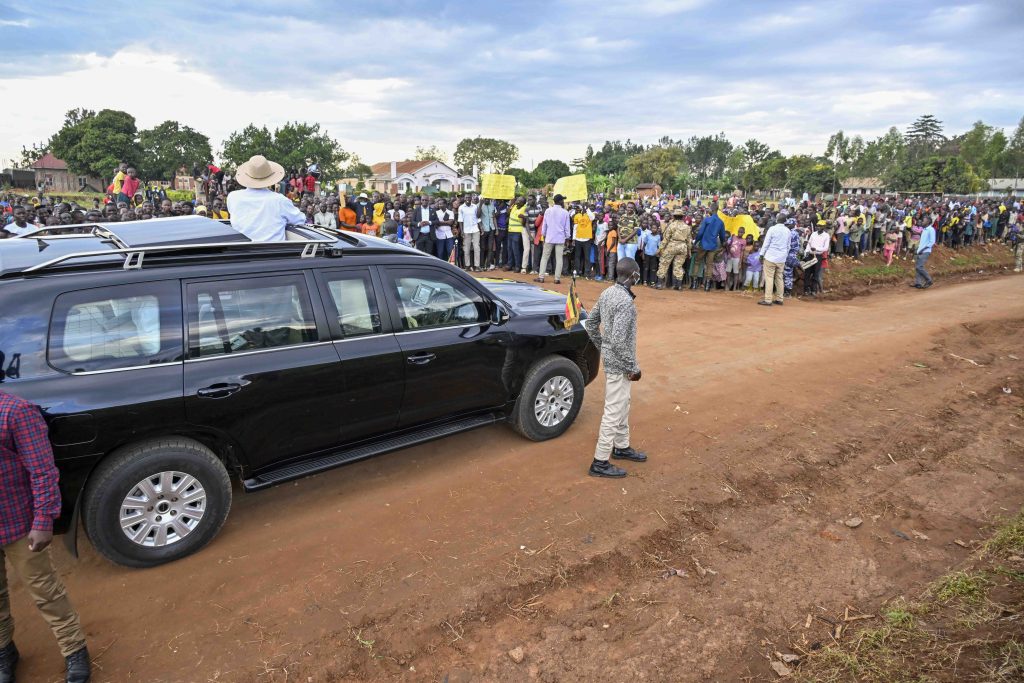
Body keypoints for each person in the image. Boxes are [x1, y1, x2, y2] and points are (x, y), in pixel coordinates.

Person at [0, 390, 91, 683]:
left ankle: (74, 648)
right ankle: (4, 651)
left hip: (18, 523)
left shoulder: (16, 411)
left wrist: (43, 519)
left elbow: (41, 470)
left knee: (45, 591)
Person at [583, 258, 647, 478]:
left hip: (613, 360)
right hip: (620, 364)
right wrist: (633, 366)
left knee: (623, 404)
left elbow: (591, 324)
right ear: (634, 276)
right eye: (637, 274)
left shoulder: (607, 293)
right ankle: (600, 461)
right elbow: (619, 341)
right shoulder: (625, 303)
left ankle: (621, 446)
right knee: (613, 411)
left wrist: (603, 347)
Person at [226, 155, 307, 241]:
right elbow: (300, 220)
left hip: (239, 251)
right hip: (273, 252)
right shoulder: (279, 200)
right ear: (270, 176)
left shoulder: (233, 197)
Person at [535, 194, 571, 285]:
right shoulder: (565, 212)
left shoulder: (548, 211)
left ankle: (541, 277)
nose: (563, 202)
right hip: (560, 238)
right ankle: (557, 279)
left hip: (549, 237)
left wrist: (544, 234)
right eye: (562, 200)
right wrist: (567, 237)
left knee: (544, 257)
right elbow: (567, 228)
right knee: (559, 258)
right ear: (560, 201)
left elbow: (545, 225)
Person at [656, 207, 691, 290]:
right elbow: (689, 241)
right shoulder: (687, 227)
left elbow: (666, 239)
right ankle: (678, 285)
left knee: (664, 264)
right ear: (682, 217)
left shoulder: (671, 225)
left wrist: (660, 249)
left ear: (674, 216)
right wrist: (689, 251)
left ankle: (659, 284)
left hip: (672, 246)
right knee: (678, 266)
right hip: (683, 247)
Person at [758, 217, 790, 306]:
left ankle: (768, 300)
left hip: (771, 257)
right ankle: (780, 299)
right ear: (785, 221)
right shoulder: (787, 230)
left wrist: (761, 254)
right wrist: (784, 255)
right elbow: (788, 246)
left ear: (777, 220)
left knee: (769, 278)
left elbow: (766, 243)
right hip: (781, 258)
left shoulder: (772, 229)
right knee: (779, 278)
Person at [459, 195, 481, 272]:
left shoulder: (475, 206)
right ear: (464, 198)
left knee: (477, 248)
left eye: (469, 197)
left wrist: (481, 228)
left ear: (471, 199)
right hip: (466, 230)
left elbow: (478, 217)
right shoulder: (461, 207)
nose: (468, 199)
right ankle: (467, 266)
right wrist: (461, 231)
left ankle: (477, 266)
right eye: (466, 198)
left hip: (475, 229)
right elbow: (460, 221)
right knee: (466, 249)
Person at [912, 220, 936, 289]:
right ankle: (918, 283)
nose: (922, 222)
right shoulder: (924, 230)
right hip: (920, 250)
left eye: (924, 221)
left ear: (928, 222)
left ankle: (929, 280)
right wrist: (918, 250)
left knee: (919, 267)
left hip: (925, 251)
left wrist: (922, 250)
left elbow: (932, 242)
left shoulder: (931, 229)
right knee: (918, 267)